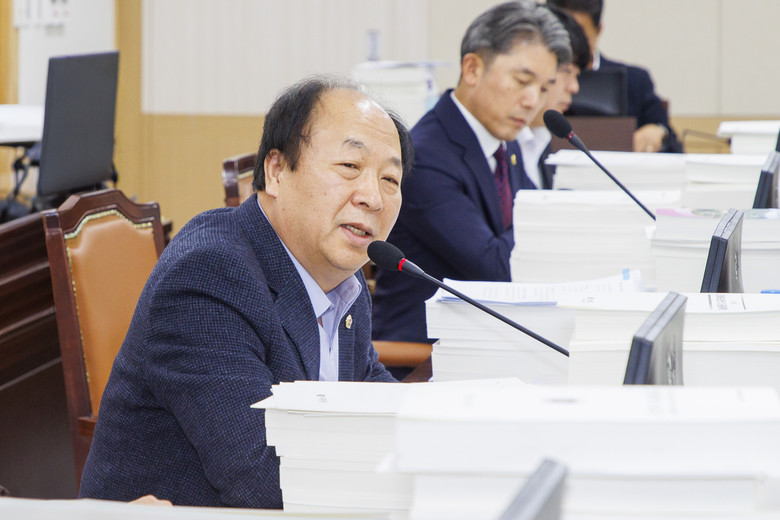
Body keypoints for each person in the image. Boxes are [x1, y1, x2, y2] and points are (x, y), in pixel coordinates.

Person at [78, 76, 413, 508]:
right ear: (276, 171)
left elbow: (373, 397)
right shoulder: (208, 275)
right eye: (350, 166)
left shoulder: (341, 283)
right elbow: (262, 479)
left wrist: (452, 435)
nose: (373, 197)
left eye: (390, 179)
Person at [371, 1, 572, 344]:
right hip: (424, 353)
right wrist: (554, 215)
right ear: (473, 68)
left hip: (490, 336)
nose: (532, 101)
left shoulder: (503, 142)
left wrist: (547, 217)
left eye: (543, 88)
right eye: (523, 80)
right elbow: (498, 268)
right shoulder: (426, 155)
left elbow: (528, 225)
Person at [547, 0, 683, 153]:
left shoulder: (635, 81)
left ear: (598, 30)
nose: (569, 42)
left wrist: (658, 131)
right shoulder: (539, 85)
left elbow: (674, 146)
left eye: (578, 33)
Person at [517, 5, 591, 189]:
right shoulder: (501, 145)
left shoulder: (541, 137)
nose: (574, 87)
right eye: (567, 71)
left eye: (577, 75)